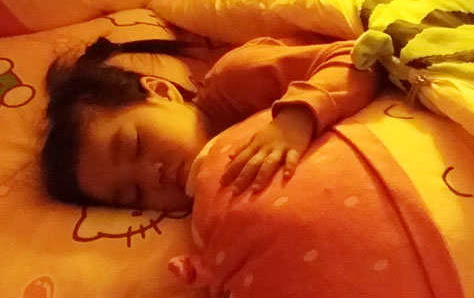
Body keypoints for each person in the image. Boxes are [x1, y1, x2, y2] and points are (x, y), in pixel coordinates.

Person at [42, 35, 380, 211]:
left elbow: (360, 59)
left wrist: (296, 118)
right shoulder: (207, 205)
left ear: (162, 92)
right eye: (134, 194)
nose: (152, 176)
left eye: (136, 145)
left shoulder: (234, 83)